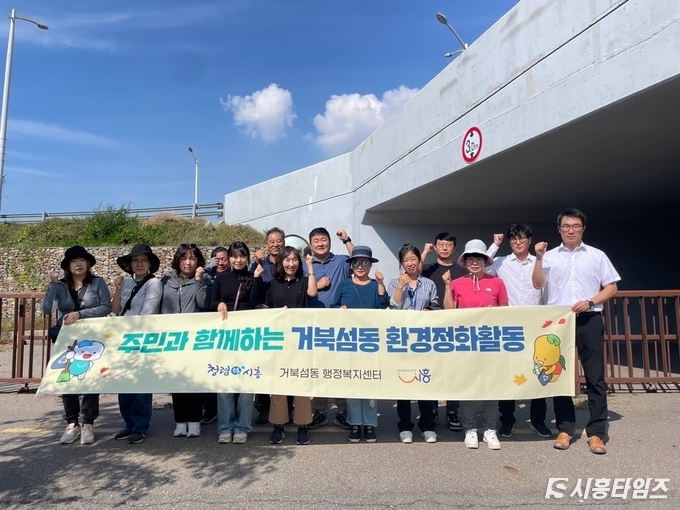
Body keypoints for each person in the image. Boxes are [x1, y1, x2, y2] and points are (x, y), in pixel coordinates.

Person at [532, 207, 620, 455]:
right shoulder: (549, 256)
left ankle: (596, 433)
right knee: (559, 375)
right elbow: (538, 284)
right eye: (566, 226)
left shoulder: (596, 255)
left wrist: (590, 301)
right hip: (560, 322)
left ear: (583, 228)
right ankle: (565, 429)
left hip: (589, 319)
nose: (571, 230)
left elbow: (611, 287)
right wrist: (538, 258)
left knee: (595, 377)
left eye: (576, 226)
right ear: (559, 229)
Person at [421, 232, 502, 432]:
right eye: (441, 244)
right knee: (434, 371)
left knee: (456, 374)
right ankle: (432, 411)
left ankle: (453, 411)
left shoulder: (462, 271)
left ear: (454, 248)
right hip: (433, 326)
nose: (445, 248)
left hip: (462, 332)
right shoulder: (428, 269)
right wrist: (424, 252)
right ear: (435, 247)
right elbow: (412, 268)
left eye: (449, 244)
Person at [42, 246, 112, 445]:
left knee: (90, 379)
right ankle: (71, 423)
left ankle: (88, 424)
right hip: (67, 338)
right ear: (68, 266)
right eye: (74, 261)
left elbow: (106, 307)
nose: (78, 264)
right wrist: (52, 285)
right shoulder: (60, 285)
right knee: (67, 378)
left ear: (88, 263)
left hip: (92, 338)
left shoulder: (97, 282)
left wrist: (80, 314)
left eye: (82, 260)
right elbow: (46, 309)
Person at [487, 224, 551, 439]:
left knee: (538, 370)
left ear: (529, 240)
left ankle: (538, 420)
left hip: (536, 323)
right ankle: (507, 420)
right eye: (514, 239)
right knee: (509, 374)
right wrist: (495, 245)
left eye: (522, 238)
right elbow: (482, 267)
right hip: (510, 325)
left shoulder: (541, 261)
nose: (518, 242)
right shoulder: (501, 261)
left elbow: (547, 289)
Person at [443, 239, 508, 450]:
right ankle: (469, 428)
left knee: (491, 387)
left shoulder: (497, 283)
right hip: (465, 344)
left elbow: (505, 311)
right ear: (465, 261)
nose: (474, 263)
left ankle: (490, 429)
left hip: (490, 343)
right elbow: (449, 311)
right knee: (468, 386)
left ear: (485, 261)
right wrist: (447, 285)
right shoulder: (456, 283)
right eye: (470, 259)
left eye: (478, 259)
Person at [331, 245, 389, 443]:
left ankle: (370, 423)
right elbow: (333, 307)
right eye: (356, 263)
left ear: (370, 265)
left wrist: (381, 284)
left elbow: (383, 305)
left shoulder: (374, 285)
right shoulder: (344, 285)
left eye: (365, 262)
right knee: (353, 381)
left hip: (370, 342)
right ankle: (355, 422)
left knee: (370, 381)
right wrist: (340, 309)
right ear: (351, 265)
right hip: (350, 342)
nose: (360, 266)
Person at [210, 241, 264, 444]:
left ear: (247, 258)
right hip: (225, 337)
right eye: (234, 256)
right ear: (229, 258)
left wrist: (257, 278)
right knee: (224, 382)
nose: (238, 260)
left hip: (247, 336)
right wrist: (219, 304)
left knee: (246, 384)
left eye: (242, 256)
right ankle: (225, 427)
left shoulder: (253, 276)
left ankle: (242, 427)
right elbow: (210, 302)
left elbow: (255, 301)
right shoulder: (221, 278)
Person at [264, 246, 318, 445]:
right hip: (278, 341)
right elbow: (265, 308)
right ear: (280, 262)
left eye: (295, 260)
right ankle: (278, 425)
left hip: (300, 341)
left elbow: (313, 292)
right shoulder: (272, 284)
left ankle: (303, 425)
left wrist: (310, 267)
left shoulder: (303, 281)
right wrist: (277, 314)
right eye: (287, 260)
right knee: (279, 384)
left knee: (301, 382)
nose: (291, 264)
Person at [302, 227, 355, 430]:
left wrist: (347, 240)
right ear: (310, 244)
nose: (320, 243)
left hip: (339, 322)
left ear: (330, 242)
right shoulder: (305, 264)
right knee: (319, 368)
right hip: (314, 323)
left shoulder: (341, 261)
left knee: (340, 368)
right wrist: (318, 285)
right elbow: (300, 289)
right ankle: (320, 411)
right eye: (316, 240)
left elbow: (358, 258)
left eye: (323, 239)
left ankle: (342, 411)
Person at [387, 244, 440, 444]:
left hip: (423, 341)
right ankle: (405, 426)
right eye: (406, 260)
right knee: (404, 383)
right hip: (402, 341)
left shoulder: (428, 283)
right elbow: (393, 308)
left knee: (425, 382)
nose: (410, 263)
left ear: (419, 261)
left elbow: (436, 305)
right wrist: (400, 286)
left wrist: (429, 311)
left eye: (413, 259)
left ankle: (427, 425)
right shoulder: (394, 282)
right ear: (401, 263)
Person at [111, 244, 163, 445]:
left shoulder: (154, 283)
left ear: (150, 264)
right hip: (124, 337)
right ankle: (129, 423)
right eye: (135, 260)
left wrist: (129, 329)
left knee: (141, 384)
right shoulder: (125, 282)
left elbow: (147, 312)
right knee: (124, 383)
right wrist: (117, 289)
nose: (139, 264)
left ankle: (140, 426)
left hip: (143, 337)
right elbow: (116, 309)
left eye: (143, 260)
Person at [160, 244, 212, 438]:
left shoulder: (206, 279)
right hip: (172, 339)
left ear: (198, 261)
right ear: (177, 260)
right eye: (184, 258)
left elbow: (204, 303)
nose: (188, 262)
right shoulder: (166, 281)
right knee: (177, 380)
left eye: (192, 258)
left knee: (193, 380)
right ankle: (180, 421)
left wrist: (198, 281)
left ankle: (195, 420)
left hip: (194, 339)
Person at [251, 227, 286, 425]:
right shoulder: (259, 263)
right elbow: (251, 286)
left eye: (279, 240)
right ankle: (263, 408)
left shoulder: (290, 262)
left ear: (284, 242)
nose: (275, 244)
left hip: (285, 320)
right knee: (264, 365)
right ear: (266, 244)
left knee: (285, 364)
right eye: (271, 241)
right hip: (263, 321)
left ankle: (286, 407)